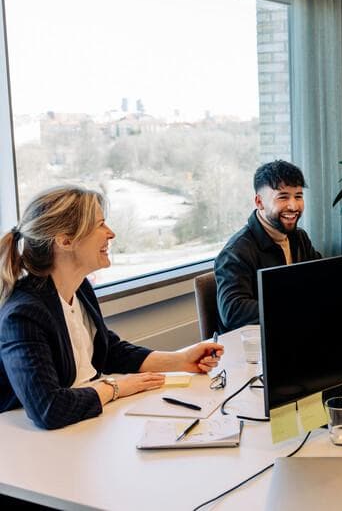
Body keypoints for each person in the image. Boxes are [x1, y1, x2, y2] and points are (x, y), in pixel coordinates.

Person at [0, 186, 224, 430]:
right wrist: (116, 387)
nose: (111, 234)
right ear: (65, 240)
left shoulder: (79, 287)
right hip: (31, 444)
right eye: (100, 225)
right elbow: (49, 409)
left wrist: (179, 360)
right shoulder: (22, 315)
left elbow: (110, 350)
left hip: (83, 426)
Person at [215, 160, 321, 331]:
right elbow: (233, 311)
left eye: (298, 196)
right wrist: (296, 306)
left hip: (294, 332)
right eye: (283, 197)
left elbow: (320, 278)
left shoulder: (299, 237)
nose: (293, 206)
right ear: (259, 202)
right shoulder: (236, 252)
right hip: (255, 347)